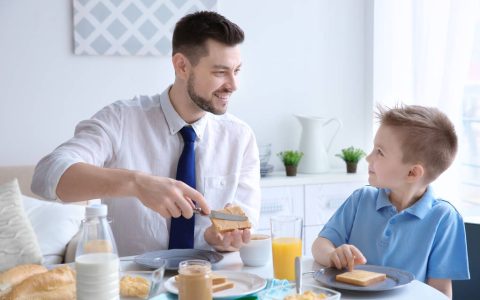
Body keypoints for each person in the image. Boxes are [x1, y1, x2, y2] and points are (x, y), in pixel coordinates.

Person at [31, 11, 260, 256]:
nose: (233, 85)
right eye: (220, 72)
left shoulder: (240, 138)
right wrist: (137, 183)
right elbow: (46, 176)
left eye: (236, 71)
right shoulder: (120, 120)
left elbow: (241, 221)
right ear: (182, 66)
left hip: (213, 282)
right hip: (135, 285)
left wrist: (218, 237)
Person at [312, 104, 470, 298]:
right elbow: (320, 244)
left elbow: (440, 293)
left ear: (412, 172)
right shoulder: (360, 200)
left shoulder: (444, 219)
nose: (368, 157)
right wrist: (331, 255)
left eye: (380, 152)